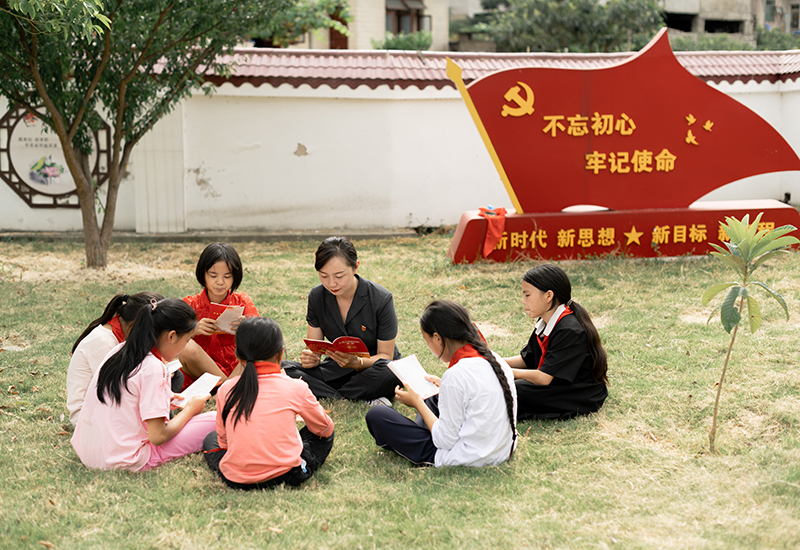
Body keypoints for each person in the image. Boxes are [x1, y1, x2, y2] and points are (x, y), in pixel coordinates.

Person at [365, 300, 517, 467]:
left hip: (466, 456)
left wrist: (417, 403)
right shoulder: (495, 359)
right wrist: (443, 386)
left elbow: (444, 441)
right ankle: (421, 428)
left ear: (437, 337)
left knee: (377, 414)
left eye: (426, 340)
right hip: (501, 450)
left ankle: (418, 438)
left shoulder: (456, 375)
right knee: (431, 395)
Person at [71, 298, 216, 471]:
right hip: (124, 459)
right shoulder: (154, 367)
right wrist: (191, 410)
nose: (185, 347)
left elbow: (127, 398)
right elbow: (157, 436)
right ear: (171, 336)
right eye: (187, 340)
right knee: (215, 419)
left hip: (89, 452)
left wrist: (165, 399)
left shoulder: (120, 350)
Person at [203, 317, 334, 490]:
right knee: (323, 435)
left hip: (236, 478)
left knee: (210, 439)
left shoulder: (226, 389)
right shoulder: (295, 387)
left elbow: (224, 441)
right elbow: (324, 428)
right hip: (287, 475)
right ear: (281, 354)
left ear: (239, 357)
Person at [283, 236, 401, 402]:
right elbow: (315, 348)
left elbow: (386, 355)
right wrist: (311, 358)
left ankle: (326, 393)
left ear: (355, 267)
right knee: (282, 368)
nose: (332, 284)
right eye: (324, 276)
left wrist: (358, 362)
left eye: (339, 276)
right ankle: (349, 396)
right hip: (336, 367)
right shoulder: (317, 296)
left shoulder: (381, 298)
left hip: (373, 366)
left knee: (391, 372)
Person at [504, 264, 608, 421]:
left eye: (527, 295)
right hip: (553, 382)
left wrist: (505, 372)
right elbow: (527, 359)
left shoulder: (569, 330)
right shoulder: (545, 321)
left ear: (548, 296)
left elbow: (544, 378)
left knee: (514, 389)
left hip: (577, 393)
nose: (523, 301)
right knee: (511, 386)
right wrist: (494, 361)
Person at [66, 292, 186, 426]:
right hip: (90, 416)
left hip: (112, 404)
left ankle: (160, 421)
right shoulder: (103, 342)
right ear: (133, 327)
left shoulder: (123, 336)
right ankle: (158, 425)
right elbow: (115, 390)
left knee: (175, 376)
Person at [180, 242, 259, 390]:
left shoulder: (242, 301)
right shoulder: (190, 304)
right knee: (185, 346)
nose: (220, 282)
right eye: (213, 275)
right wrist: (193, 330)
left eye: (227, 276)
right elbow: (170, 340)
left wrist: (247, 327)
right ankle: (229, 389)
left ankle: (224, 390)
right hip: (203, 368)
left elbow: (263, 335)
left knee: (259, 343)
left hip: (236, 365)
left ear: (235, 277)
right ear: (203, 274)